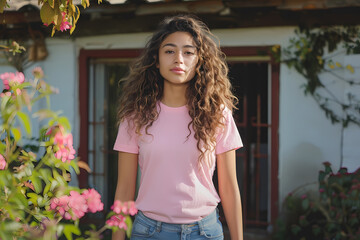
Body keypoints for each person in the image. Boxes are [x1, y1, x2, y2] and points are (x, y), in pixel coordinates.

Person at [112, 14, 243, 240]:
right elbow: (124, 191)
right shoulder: (135, 116)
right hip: (149, 232)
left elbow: (230, 187)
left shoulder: (217, 113)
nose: (179, 59)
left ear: (200, 60)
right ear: (156, 58)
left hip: (205, 232)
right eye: (169, 51)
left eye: (188, 52)